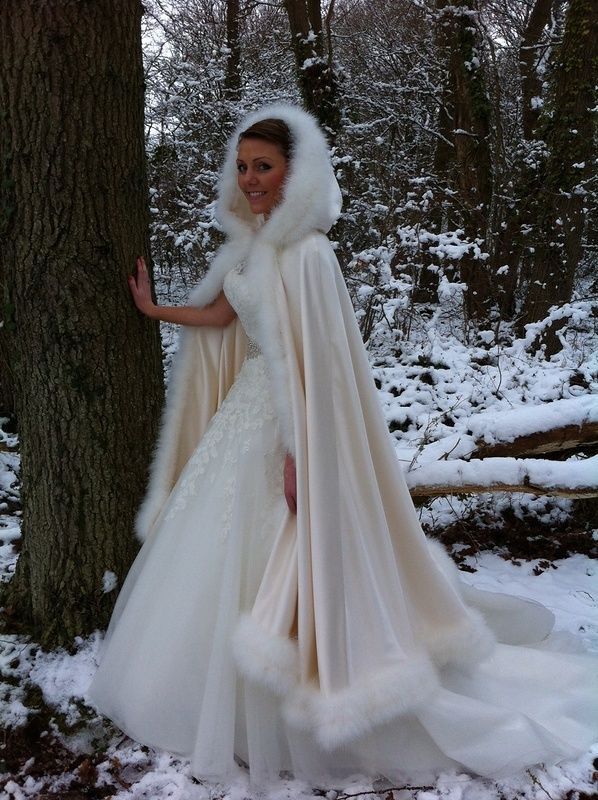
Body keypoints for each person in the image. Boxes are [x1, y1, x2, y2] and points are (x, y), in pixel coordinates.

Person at [88, 104, 598, 787]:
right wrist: (154, 310)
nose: (250, 180)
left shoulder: (310, 253)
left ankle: (301, 705)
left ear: (295, 172)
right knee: (217, 552)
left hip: (289, 425)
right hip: (244, 413)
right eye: (242, 168)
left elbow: (322, 366)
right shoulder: (253, 245)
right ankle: (214, 699)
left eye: (263, 167)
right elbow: (221, 313)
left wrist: (302, 453)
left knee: (285, 554)